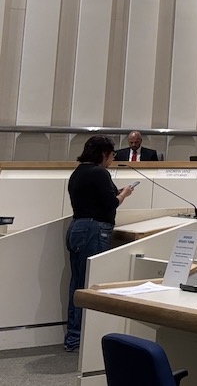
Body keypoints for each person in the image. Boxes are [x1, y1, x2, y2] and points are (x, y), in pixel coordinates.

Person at [65, 135, 134, 352]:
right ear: (104, 153)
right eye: (113, 155)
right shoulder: (99, 172)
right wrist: (125, 194)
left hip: (77, 228)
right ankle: (79, 340)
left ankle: (73, 337)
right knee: (90, 286)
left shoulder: (78, 172)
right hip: (94, 230)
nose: (113, 159)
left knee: (77, 284)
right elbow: (111, 204)